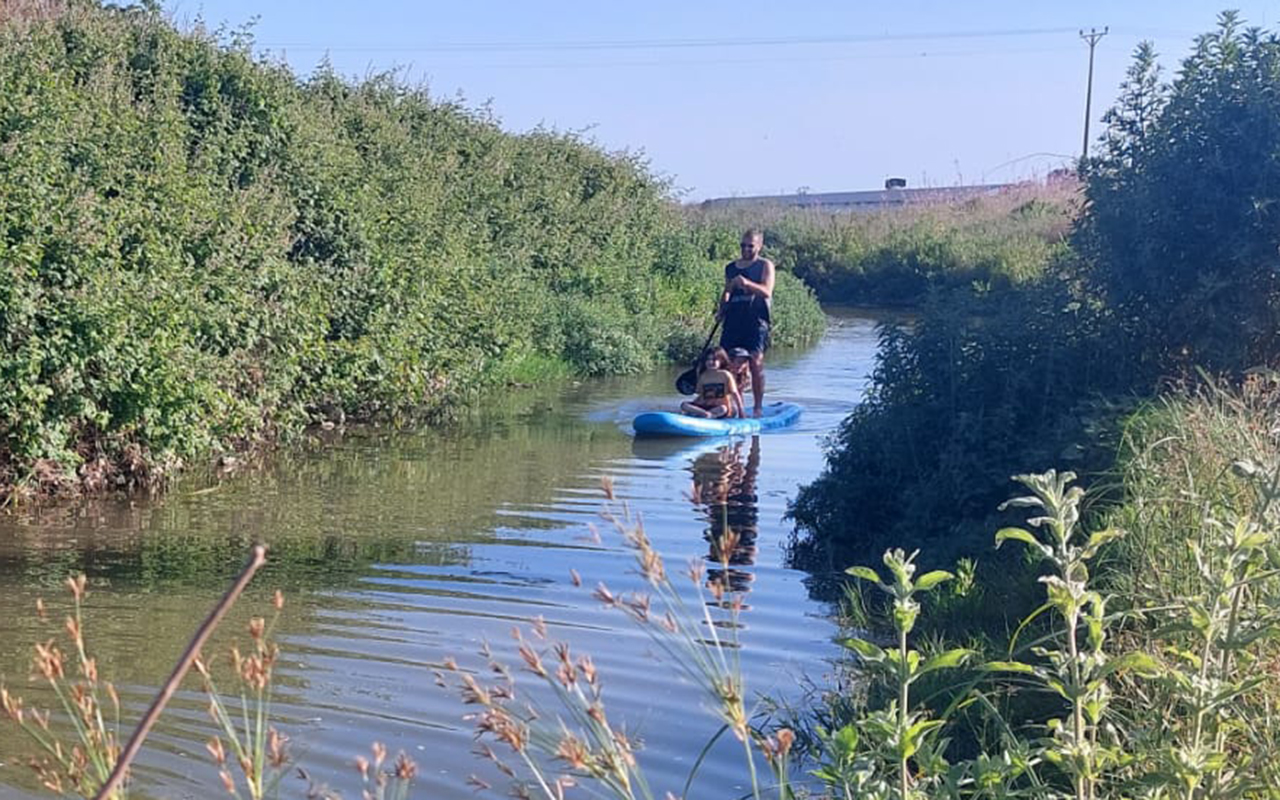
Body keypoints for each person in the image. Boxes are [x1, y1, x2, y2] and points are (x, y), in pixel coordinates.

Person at [719, 229, 775, 417]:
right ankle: (735, 405)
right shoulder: (731, 268)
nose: (746, 249)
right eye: (743, 245)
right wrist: (721, 308)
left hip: (756, 320)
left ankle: (758, 407)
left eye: (750, 246)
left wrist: (746, 284)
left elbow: (766, 291)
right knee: (729, 363)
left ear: (759, 246)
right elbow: (727, 290)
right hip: (733, 319)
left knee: (755, 362)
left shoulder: (765, 265)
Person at [680, 346, 744, 419]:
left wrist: (741, 411)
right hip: (704, 407)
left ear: (721, 360)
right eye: (708, 360)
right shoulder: (703, 375)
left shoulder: (725, 375)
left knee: (723, 408)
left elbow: (735, 394)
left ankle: (709, 414)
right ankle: (705, 414)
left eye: (714, 359)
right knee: (684, 405)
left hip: (719, 407)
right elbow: (700, 395)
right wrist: (693, 406)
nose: (710, 362)